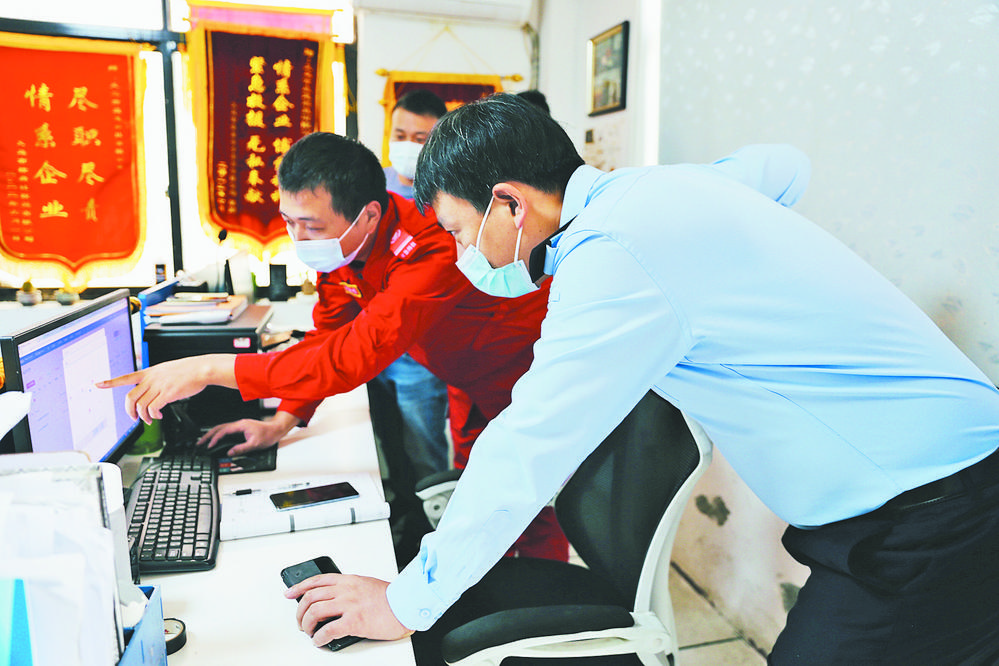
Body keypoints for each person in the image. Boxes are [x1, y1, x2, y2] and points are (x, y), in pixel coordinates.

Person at [268, 93, 999, 664]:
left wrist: (404, 603)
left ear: (511, 203)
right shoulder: (651, 192)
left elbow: (528, 445)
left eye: (461, 232)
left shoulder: (612, 257)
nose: (466, 257)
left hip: (930, 511)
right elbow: (784, 166)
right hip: (939, 483)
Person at [100, 130, 566, 564]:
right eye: (289, 222)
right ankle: (493, 579)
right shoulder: (343, 247)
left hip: (519, 374)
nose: (299, 239)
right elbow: (327, 337)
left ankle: (547, 603)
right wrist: (282, 420)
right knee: (482, 494)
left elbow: (354, 356)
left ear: (368, 215)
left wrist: (209, 370)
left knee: (530, 501)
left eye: (311, 225)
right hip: (465, 377)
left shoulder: (430, 246)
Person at [368, 89, 451, 547]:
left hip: (420, 353)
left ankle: (434, 534)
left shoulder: (447, 195)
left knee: (425, 450)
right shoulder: (372, 188)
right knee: (385, 445)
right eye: (400, 134)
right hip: (372, 346)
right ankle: (401, 523)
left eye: (420, 138)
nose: (406, 146)